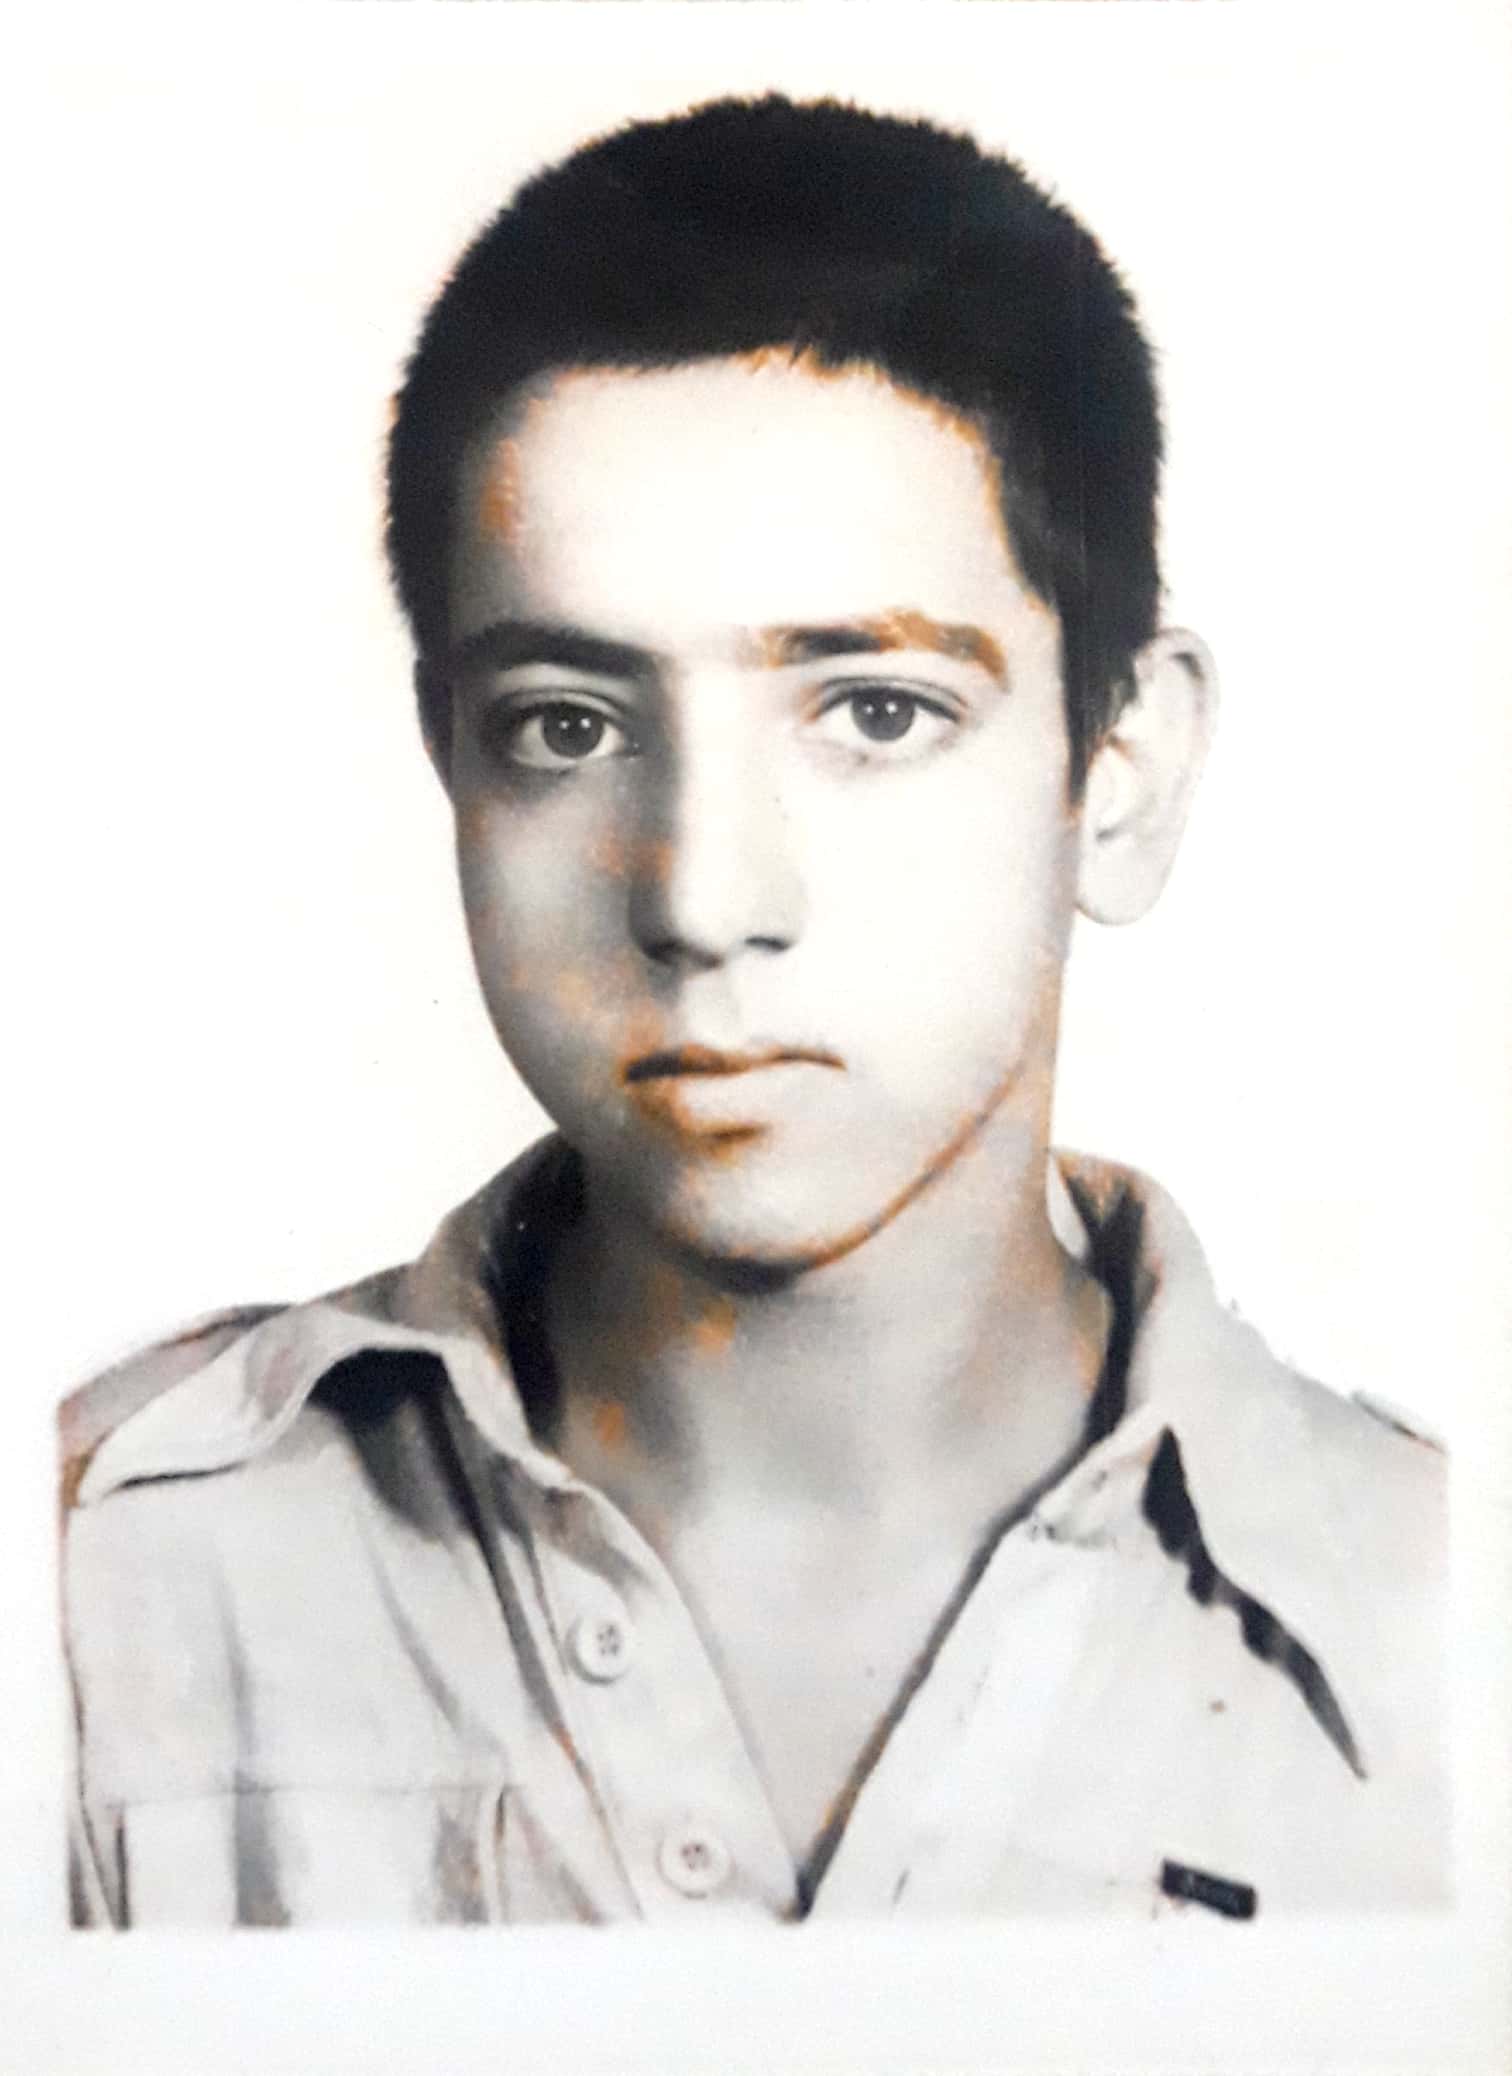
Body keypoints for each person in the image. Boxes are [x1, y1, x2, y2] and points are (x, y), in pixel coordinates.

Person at [59, 94, 1446, 1927]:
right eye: (568, 724)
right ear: (450, 762)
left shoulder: (1444, 1629)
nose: (705, 899)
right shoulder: (89, 1579)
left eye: (874, 711)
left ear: (1121, 768)